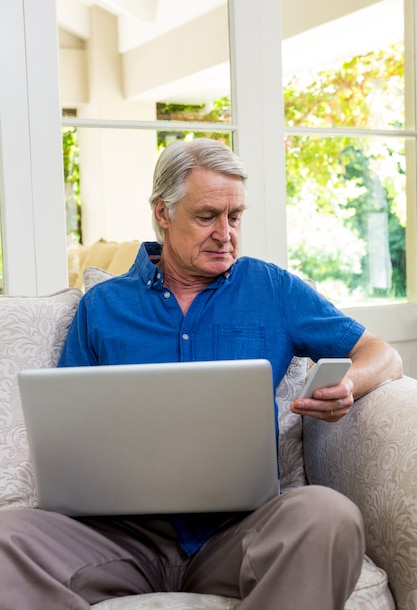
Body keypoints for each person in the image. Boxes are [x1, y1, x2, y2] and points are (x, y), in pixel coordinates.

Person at [0, 138, 402, 609]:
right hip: (117, 541)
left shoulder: (271, 288)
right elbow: (65, 428)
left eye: (235, 218)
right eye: (207, 216)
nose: (225, 233)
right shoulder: (104, 306)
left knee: (329, 515)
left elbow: (383, 354)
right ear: (163, 214)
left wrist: (349, 384)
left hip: (238, 534)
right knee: (7, 537)